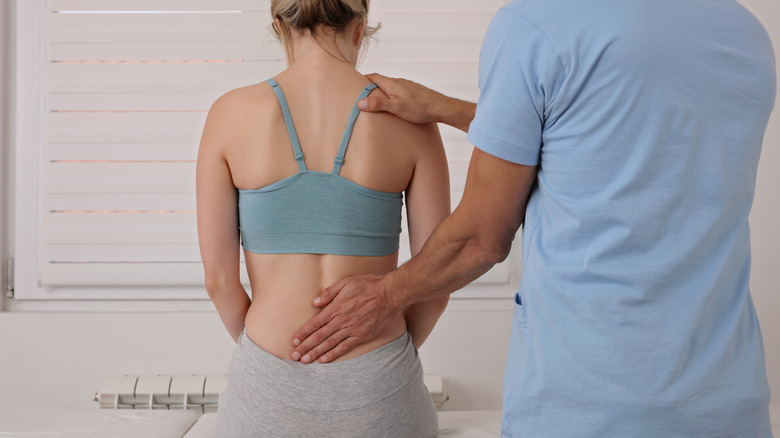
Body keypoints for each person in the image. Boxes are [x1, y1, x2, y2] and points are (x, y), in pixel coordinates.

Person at [289, 0, 777, 436]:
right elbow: (597, 135)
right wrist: (447, 109)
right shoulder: (745, 32)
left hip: (592, 407)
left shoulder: (536, 23)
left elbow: (480, 240)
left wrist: (382, 295)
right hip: (728, 402)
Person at [196, 0, 450, 436]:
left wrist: (269, 357)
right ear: (359, 28)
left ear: (279, 26)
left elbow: (220, 281)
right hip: (381, 387)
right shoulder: (411, 120)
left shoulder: (229, 114)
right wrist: (380, 360)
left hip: (266, 390)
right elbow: (437, 279)